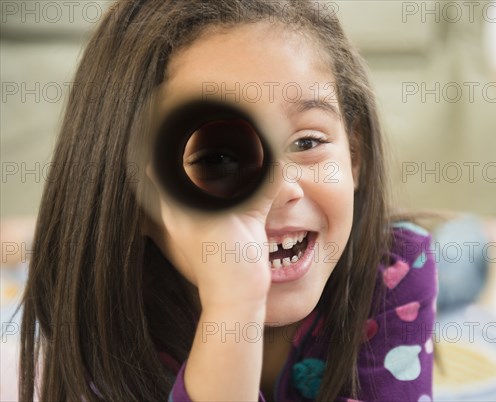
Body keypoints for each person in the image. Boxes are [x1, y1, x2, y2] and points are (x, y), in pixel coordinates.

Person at [18, 1, 438, 401]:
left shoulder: (396, 269)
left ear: (355, 156)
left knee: (458, 260)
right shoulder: (111, 319)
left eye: (306, 141)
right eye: (218, 158)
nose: (278, 187)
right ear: (137, 200)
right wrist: (234, 307)